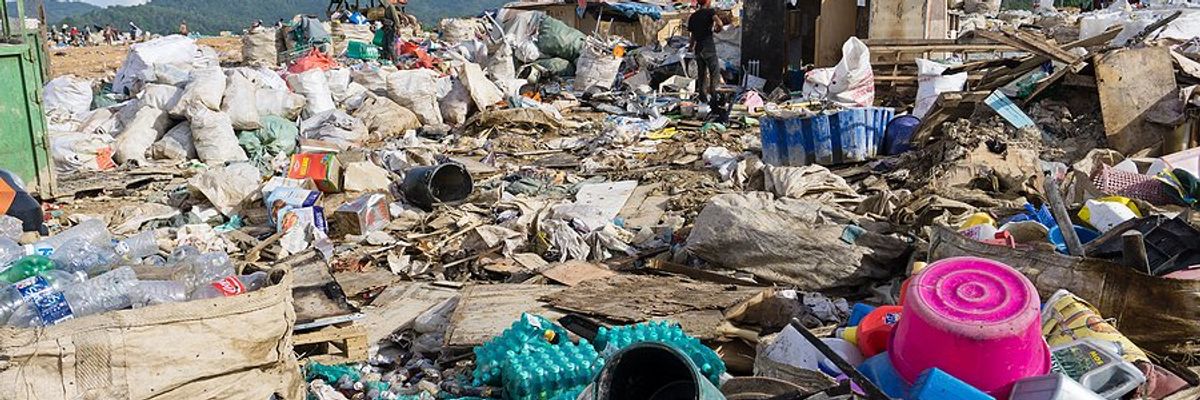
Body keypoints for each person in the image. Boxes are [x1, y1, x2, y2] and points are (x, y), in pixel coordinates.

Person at [687, 0, 724, 104]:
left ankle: (703, 100)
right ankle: (714, 99)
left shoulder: (693, 16)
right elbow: (720, 23)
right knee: (714, 73)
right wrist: (718, 29)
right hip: (709, 48)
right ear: (707, 2)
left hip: (698, 49)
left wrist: (690, 47)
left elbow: (693, 36)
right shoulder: (710, 12)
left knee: (701, 75)